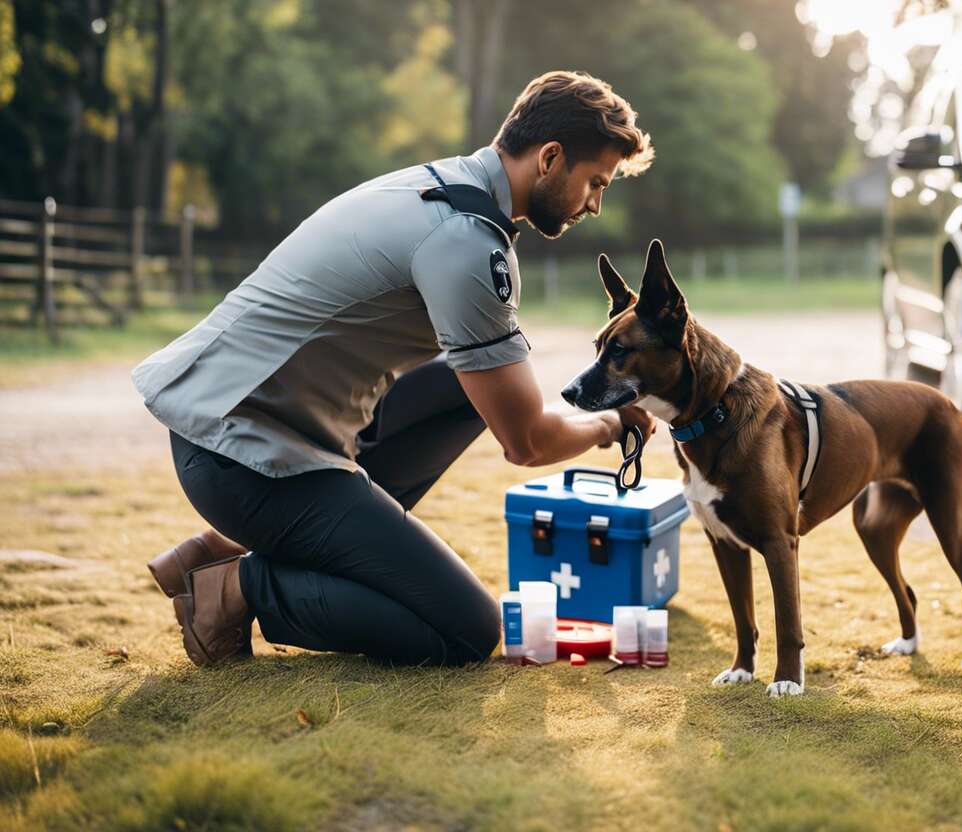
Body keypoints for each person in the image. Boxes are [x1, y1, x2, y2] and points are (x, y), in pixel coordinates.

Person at [133, 70, 655, 667]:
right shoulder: (467, 240)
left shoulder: (438, 185)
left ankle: (220, 548)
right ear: (550, 158)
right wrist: (614, 424)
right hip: (244, 460)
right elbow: (527, 441)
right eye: (595, 183)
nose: (595, 203)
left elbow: (494, 388)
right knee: (466, 628)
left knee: (467, 390)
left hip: (232, 433)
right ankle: (235, 589)